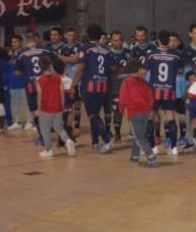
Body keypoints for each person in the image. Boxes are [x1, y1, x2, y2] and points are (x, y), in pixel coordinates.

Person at [71, 24, 114, 153]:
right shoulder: (107, 50)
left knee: (93, 115)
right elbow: (113, 67)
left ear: (88, 36)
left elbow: (80, 67)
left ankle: (107, 140)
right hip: (104, 86)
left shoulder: (86, 48)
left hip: (90, 86)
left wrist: (73, 84)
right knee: (95, 114)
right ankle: (95, 142)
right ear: (100, 35)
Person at [144, 30, 183, 156]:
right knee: (170, 118)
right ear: (169, 40)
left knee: (149, 117)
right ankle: (173, 147)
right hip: (169, 90)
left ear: (158, 40)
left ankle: (152, 146)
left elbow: (145, 70)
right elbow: (180, 70)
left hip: (154, 90)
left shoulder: (151, 55)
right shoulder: (176, 56)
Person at [35, 56, 76, 158]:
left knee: (45, 130)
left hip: (46, 108)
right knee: (59, 127)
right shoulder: (58, 78)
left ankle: (49, 150)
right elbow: (61, 92)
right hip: (58, 107)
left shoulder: (39, 80)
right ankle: (68, 140)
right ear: (50, 65)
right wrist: (62, 106)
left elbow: (39, 95)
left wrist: (39, 109)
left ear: (40, 67)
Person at [118, 60, 156, 167]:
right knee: (139, 135)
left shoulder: (126, 82)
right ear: (139, 70)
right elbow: (150, 98)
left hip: (134, 113)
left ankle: (151, 157)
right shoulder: (145, 83)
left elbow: (122, 99)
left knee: (138, 137)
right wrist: (149, 110)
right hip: (145, 113)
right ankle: (134, 156)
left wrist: (121, 110)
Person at [106, 31, 131, 142]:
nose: (118, 42)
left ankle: (124, 133)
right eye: (115, 40)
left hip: (125, 85)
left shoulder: (128, 53)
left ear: (123, 40)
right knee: (112, 109)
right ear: (111, 41)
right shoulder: (107, 53)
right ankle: (112, 132)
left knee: (124, 109)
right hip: (111, 84)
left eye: (120, 40)